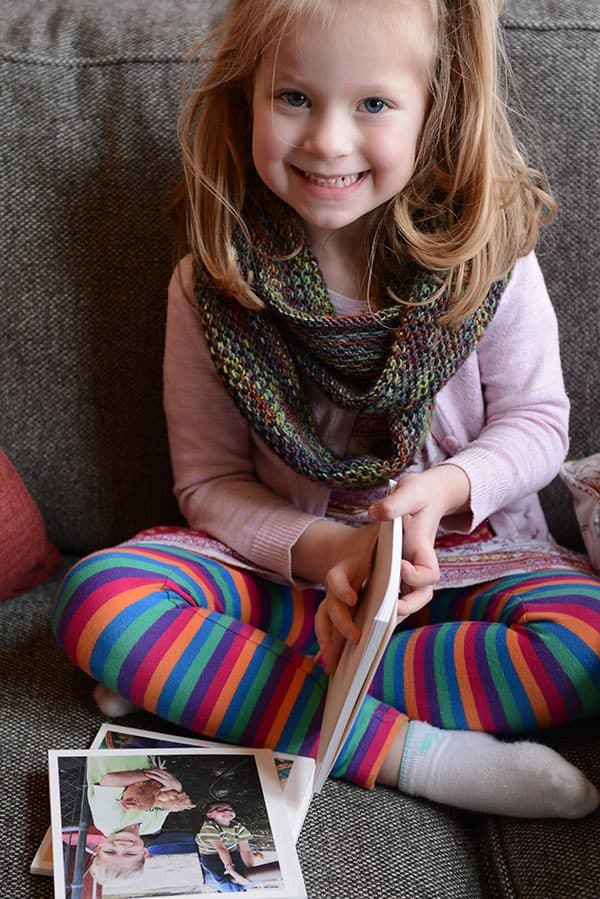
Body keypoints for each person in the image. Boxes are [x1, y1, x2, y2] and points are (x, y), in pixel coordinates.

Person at [52, 0, 600, 819]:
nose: (328, 142)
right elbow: (208, 483)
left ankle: (227, 680)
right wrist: (330, 551)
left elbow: (536, 426)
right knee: (100, 596)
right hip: (293, 577)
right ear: (247, 98)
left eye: (373, 104)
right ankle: (414, 753)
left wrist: (446, 487)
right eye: (294, 98)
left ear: (434, 110)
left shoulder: (489, 258)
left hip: (461, 571)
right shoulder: (212, 284)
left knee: (587, 646)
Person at [86, 754, 195, 839]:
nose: (123, 846)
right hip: (140, 752)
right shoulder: (153, 826)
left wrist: (154, 777)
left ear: (99, 848)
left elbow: (110, 780)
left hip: (111, 751)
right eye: (130, 854)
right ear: (144, 853)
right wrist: (177, 786)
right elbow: (172, 800)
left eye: (110, 852)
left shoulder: (108, 824)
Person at [196, 801, 264, 892]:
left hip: (232, 852)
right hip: (211, 855)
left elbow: (245, 850)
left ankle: (243, 886)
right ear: (210, 815)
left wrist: (250, 869)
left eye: (230, 809)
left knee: (249, 876)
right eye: (220, 809)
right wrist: (232, 871)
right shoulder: (210, 827)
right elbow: (221, 849)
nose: (227, 811)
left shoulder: (239, 828)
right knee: (221, 880)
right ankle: (231, 890)